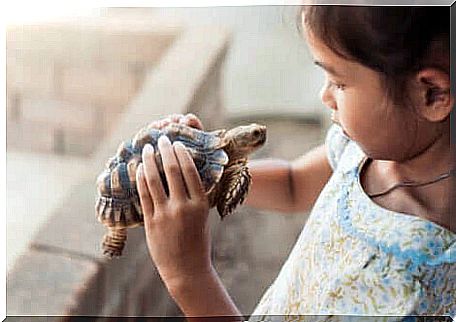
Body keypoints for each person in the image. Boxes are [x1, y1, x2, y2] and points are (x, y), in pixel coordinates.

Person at [135, 5, 455, 321]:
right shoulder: (365, 152)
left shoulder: (398, 287)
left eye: (339, 82)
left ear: (432, 94)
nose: (324, 96)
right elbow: (294, 184)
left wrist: (189, 277)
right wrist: (211, 169)